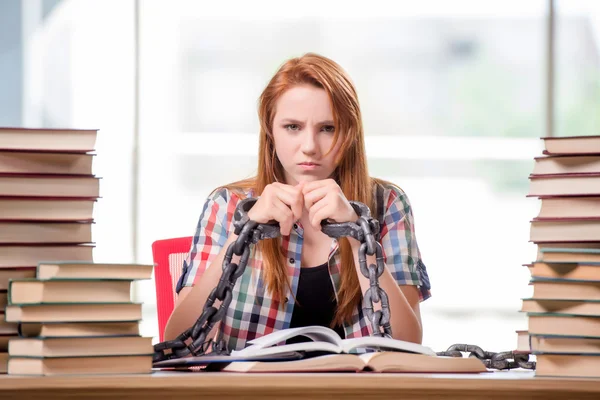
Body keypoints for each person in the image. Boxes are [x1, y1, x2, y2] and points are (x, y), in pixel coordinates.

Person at [164, 53, 431, 352]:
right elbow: (178, 340)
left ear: (350, 133)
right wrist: (245, 232)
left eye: (327, 128)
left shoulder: (388, 204)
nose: (309, 147)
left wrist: (357, 235)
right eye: (292, 127)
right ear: (270, 132)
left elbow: (408, 346)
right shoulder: (226, 205)